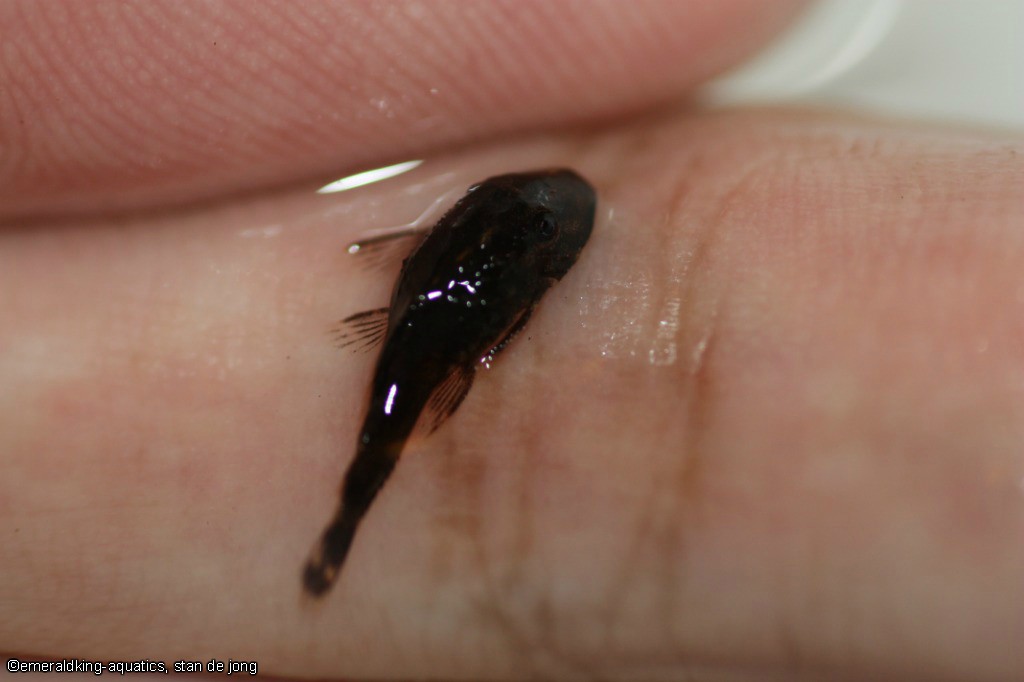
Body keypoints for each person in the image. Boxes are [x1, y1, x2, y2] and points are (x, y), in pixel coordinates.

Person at [1, 2, 1020, 680]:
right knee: (410, 388)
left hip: (431, 312)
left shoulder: (513, 224)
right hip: (433, 316)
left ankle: (341, 534)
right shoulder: (522, 239)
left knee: (411, 384)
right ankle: (339, 534)